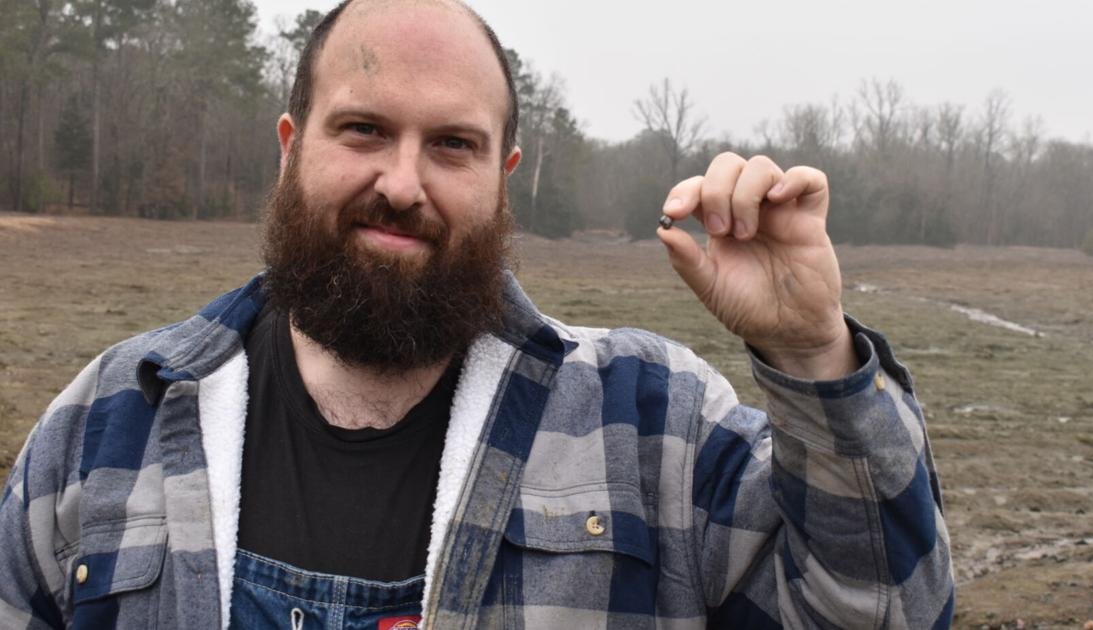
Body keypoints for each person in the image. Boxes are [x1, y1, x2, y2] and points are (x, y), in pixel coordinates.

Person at [0, 0, 953, 627]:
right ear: (292, 149)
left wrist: (811, 351)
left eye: (452, 145)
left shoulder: (653, 424)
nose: (402, 184)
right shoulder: (109, 422)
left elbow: (885, 611)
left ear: (504, 179)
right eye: (365, 128)